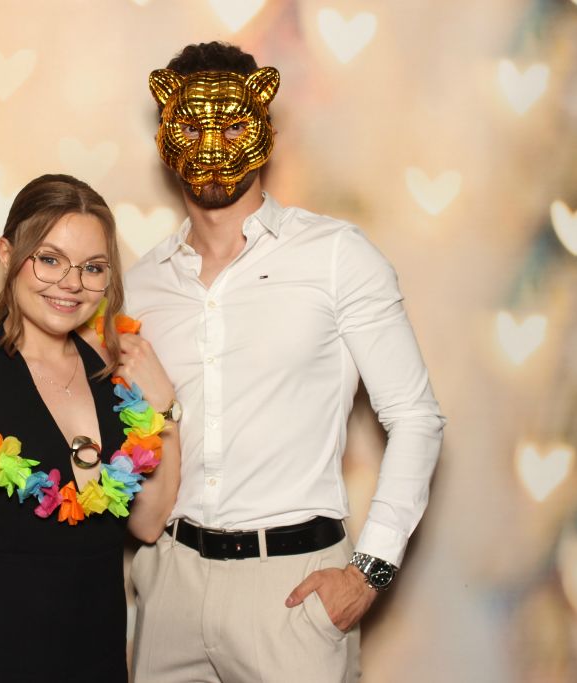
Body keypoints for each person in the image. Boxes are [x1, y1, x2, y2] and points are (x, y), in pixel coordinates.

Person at [125, 42, 446, 682]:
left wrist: (371, 570)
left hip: (292, 587)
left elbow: (416, 417)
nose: (211, 145)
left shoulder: (335, 255)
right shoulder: (140, 285)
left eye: (232, 126)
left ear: (264, 128)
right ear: (165, 133)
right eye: (191, 127)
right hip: (169, 582)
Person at [0, 174, 180, 682]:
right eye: (50, 259)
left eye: (92, 267)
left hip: (91, 658)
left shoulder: (118, 370)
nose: (71, 283)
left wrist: (163, 407)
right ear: (8, 254)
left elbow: (148, 524)